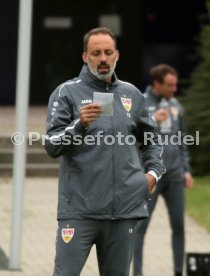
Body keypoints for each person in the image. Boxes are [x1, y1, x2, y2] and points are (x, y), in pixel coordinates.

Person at [45, 27, 165, 276]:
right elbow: (52, 145)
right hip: (80, 211)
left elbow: (152, 138)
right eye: (96, 53)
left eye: (108, 52)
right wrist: (79, 125)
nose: (102, 59)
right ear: (85, 57)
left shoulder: (131, 94)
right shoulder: (66, 93)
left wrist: (153, 174)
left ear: (117, 55)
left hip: (123, 212)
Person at [133, 64, 194, 276]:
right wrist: (152, 121)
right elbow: (131, 138)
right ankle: (137, 272)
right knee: (140, 226)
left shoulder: (175, 105)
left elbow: (182, 139)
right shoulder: (139, 102)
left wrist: (186, 170)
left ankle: (178, 271)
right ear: (156, 84)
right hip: (151, 176)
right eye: (169, 85)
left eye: (175, 85)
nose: (173, 89)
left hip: (175, 174)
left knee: (179, 226)